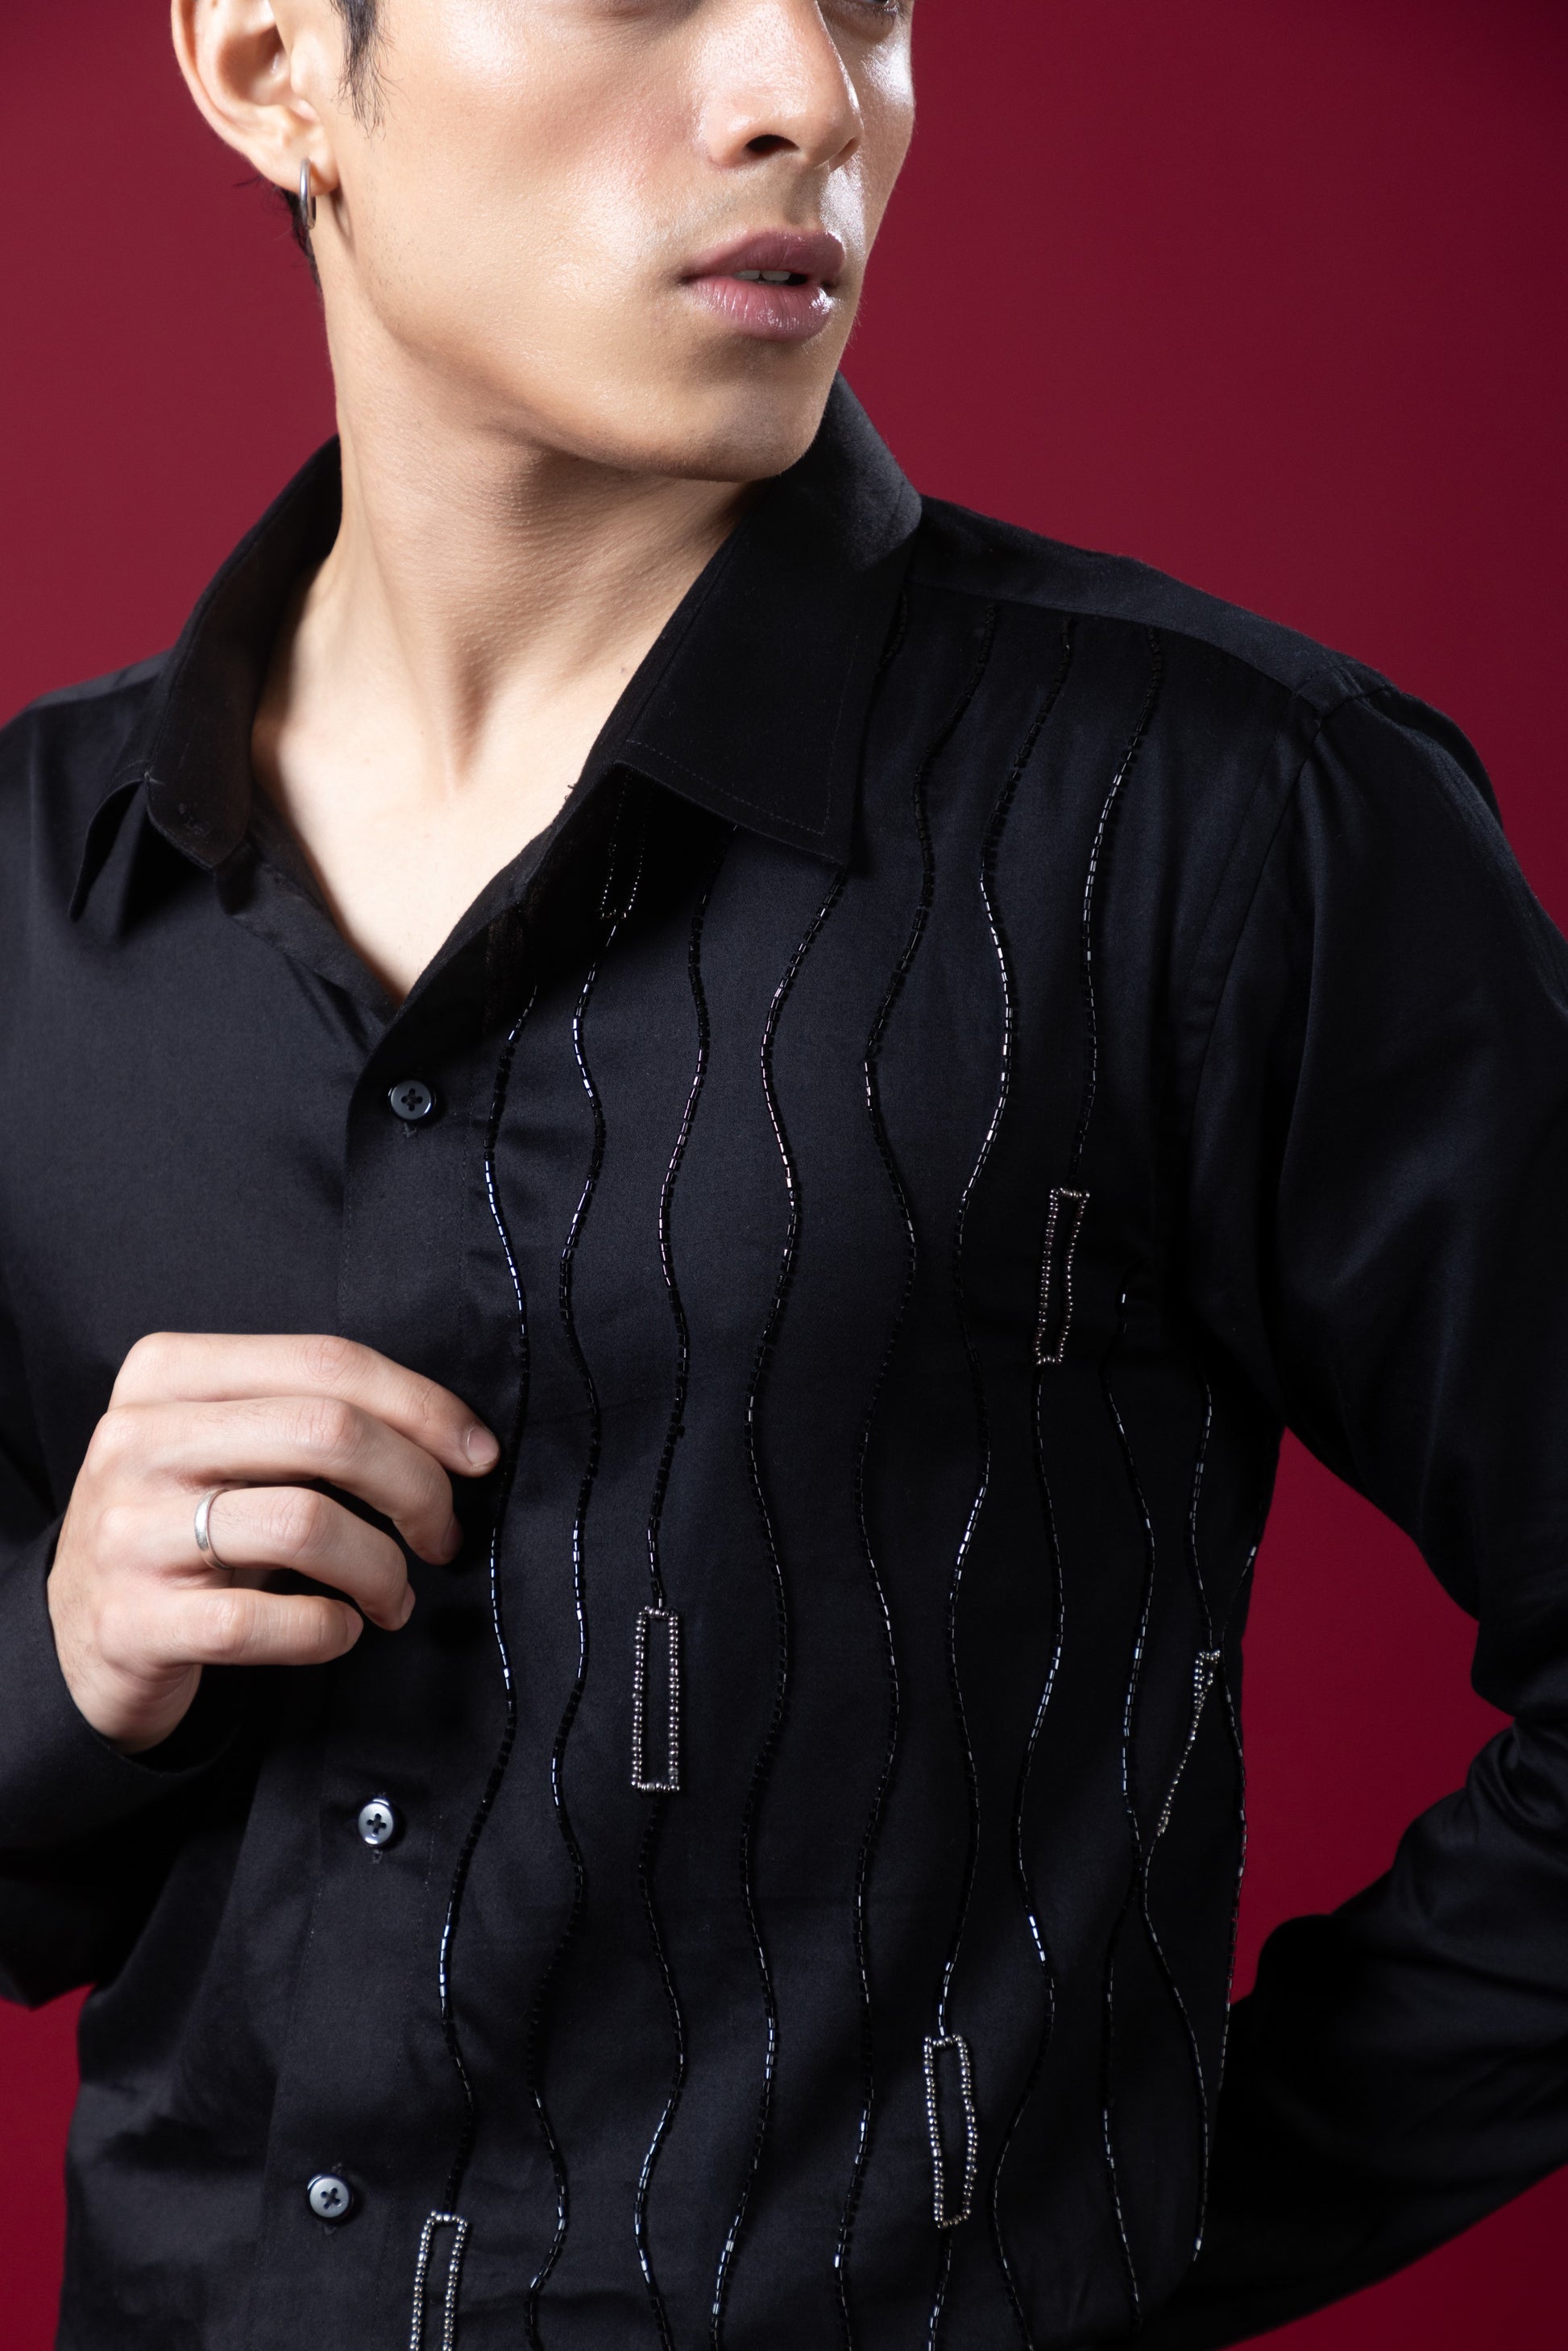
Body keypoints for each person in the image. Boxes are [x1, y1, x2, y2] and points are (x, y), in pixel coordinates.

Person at [2, 0, 1566, 2344]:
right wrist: (60, 1660)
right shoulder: (29, 891)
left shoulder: (1225, 820)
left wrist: (1112, 2224)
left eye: (864, 2)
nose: (812, 97)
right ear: (266, 62)